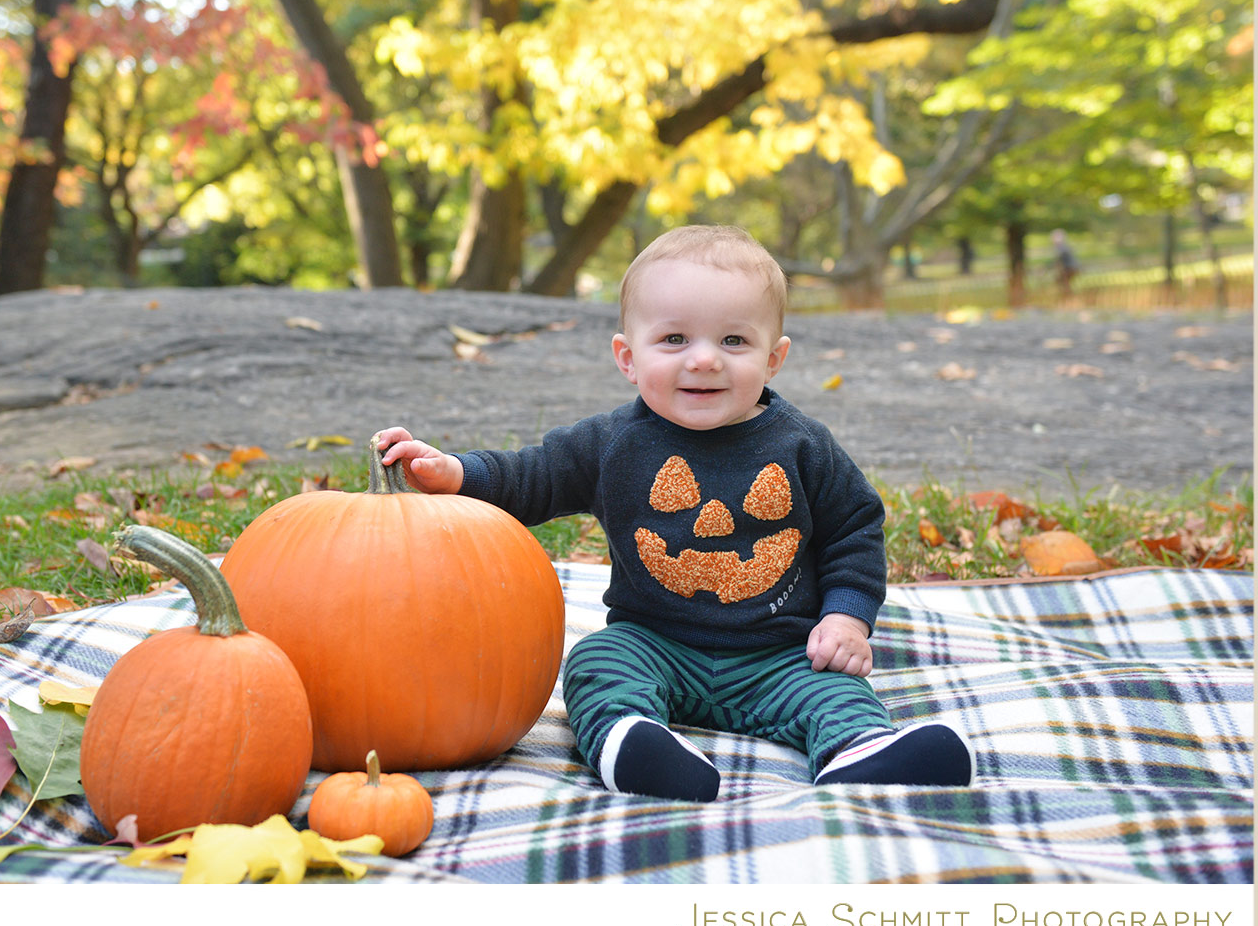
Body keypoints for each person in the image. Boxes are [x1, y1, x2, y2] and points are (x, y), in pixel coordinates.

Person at [375, 225, 974, 802]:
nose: (705, 359)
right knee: (596, 662)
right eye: (674, 340)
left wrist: (846, 619)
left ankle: (860, 750)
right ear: (628, 357)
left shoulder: (802, 447)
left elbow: (854, 529)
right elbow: (533, 476)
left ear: (774, 358)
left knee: (836, 689)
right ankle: (632, 742)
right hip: (654, 643)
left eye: (733, 341)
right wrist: (455, 473)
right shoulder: (612, 443)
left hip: (780, 654)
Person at [1051, 228, 1080, 299]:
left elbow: (1058, 259)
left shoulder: (1061, 247)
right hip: (1071, 268)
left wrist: (1049, 266)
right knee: (1062, 282)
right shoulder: (1064, 246)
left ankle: (1068, 296)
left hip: (1070, 268)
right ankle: (1068, 296)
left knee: (1062, 281)